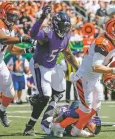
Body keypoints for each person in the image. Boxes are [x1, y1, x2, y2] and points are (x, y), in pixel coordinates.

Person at [54, 18, 115, 137]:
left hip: (94, 79)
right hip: (84, 78)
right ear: (112, 32)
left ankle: (76, 130)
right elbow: (96, 67)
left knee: (95, 107)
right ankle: (58, 124)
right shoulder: (103, 43)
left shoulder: (111, 40)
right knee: (85, 109)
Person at [23, 6, 79, 136]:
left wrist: (79, 69)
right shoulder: (48, 32)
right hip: (39, 65)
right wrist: (42, 17)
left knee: (59, 91)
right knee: (46, 96)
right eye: (62, 26)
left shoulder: (65, 37)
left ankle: (46, 119)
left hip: (52, 66)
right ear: (55, 24)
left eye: (66, 27)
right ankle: (29, 127)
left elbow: (68, 54)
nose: (64, 29)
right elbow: (33, 34)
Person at [0, 2, 32, 127]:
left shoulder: (11, 29)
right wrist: (21, 38)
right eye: (11, 16)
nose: (13, 19)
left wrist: (25, 50)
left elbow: (11, 49)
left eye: (15, 17)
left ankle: (2, 110)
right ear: (3, 13)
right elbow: (1, 38)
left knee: (10, 94)